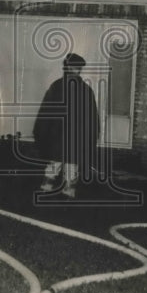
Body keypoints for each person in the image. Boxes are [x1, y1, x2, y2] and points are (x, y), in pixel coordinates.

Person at [32, 53, 100, 198]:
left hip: (66, 137)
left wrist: (90, 137)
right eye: (74, 67)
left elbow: (91, 118)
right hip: (62, 137)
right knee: (58, 165)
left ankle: (63, 192)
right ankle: (54, 190)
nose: (76, 70)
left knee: (67, 166)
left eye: (78, 68)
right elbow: (46, 113)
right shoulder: (71, 89)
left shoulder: (70, 89)